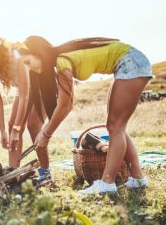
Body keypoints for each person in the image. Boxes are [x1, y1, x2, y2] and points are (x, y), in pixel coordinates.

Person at [17, 36, 152, 194]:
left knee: (116, 127)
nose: (29, 68)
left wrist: (46, 134)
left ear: (39, 54)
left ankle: (107, 183)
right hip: (129, 63)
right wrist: (46, 132)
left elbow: (65, 105)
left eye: (28, 62)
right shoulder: (61, 61)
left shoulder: (61, 61)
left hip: (131, 63)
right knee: (115, 126)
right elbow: (66, 104)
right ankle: (137, 179)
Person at [0, 34, 51, 181]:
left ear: (1, 53)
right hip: (24, 91)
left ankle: (46, 172)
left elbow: (24, 96)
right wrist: (3, 131)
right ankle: (13, 174)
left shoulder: (16, 57)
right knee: (11, 127)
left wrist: (17, 128)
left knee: (33, 126)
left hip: (42, 85)